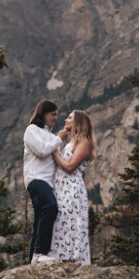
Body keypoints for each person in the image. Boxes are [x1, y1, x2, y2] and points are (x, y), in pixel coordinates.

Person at [23, 99, 69, 264]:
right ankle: (40, 253)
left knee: (38, 223)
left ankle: (32, 262)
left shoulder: (50, 137)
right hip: (36, 178)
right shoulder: (32, 130)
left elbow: (57, 158)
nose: (56, 118)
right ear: (43, 114)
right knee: (51, 207)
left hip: (47, 183)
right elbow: (42, 150)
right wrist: (59, 139)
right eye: (53, 114)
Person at [47, 110, 95, 264]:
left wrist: (55, 153)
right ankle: (60, 259)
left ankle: (72, 260)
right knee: (61, 224)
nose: (66, 120)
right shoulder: (71, 143)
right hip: (61, 189)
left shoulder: (84, 143)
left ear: (77, 122)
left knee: (71, 225)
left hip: (72, 191)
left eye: (70, 118)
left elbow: (70, 167)